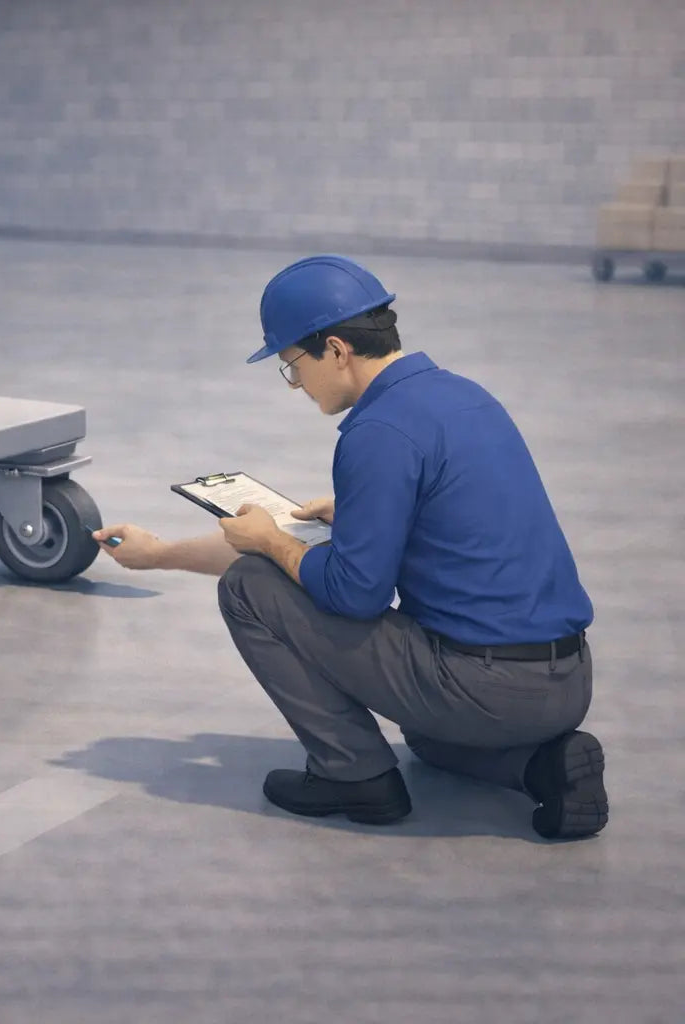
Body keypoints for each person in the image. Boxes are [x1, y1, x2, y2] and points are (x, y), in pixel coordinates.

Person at [92, 254, 606, 839]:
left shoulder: (378, 431)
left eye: (292, 366)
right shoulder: (466, 398)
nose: (297, 386)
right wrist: (159, 554)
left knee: (250, 587)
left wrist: (270, 541)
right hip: (566, 682)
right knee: (427, 740)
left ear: (335, 350)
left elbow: (352, 596)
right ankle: (545, 767)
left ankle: (354, 776)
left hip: (481, 689)